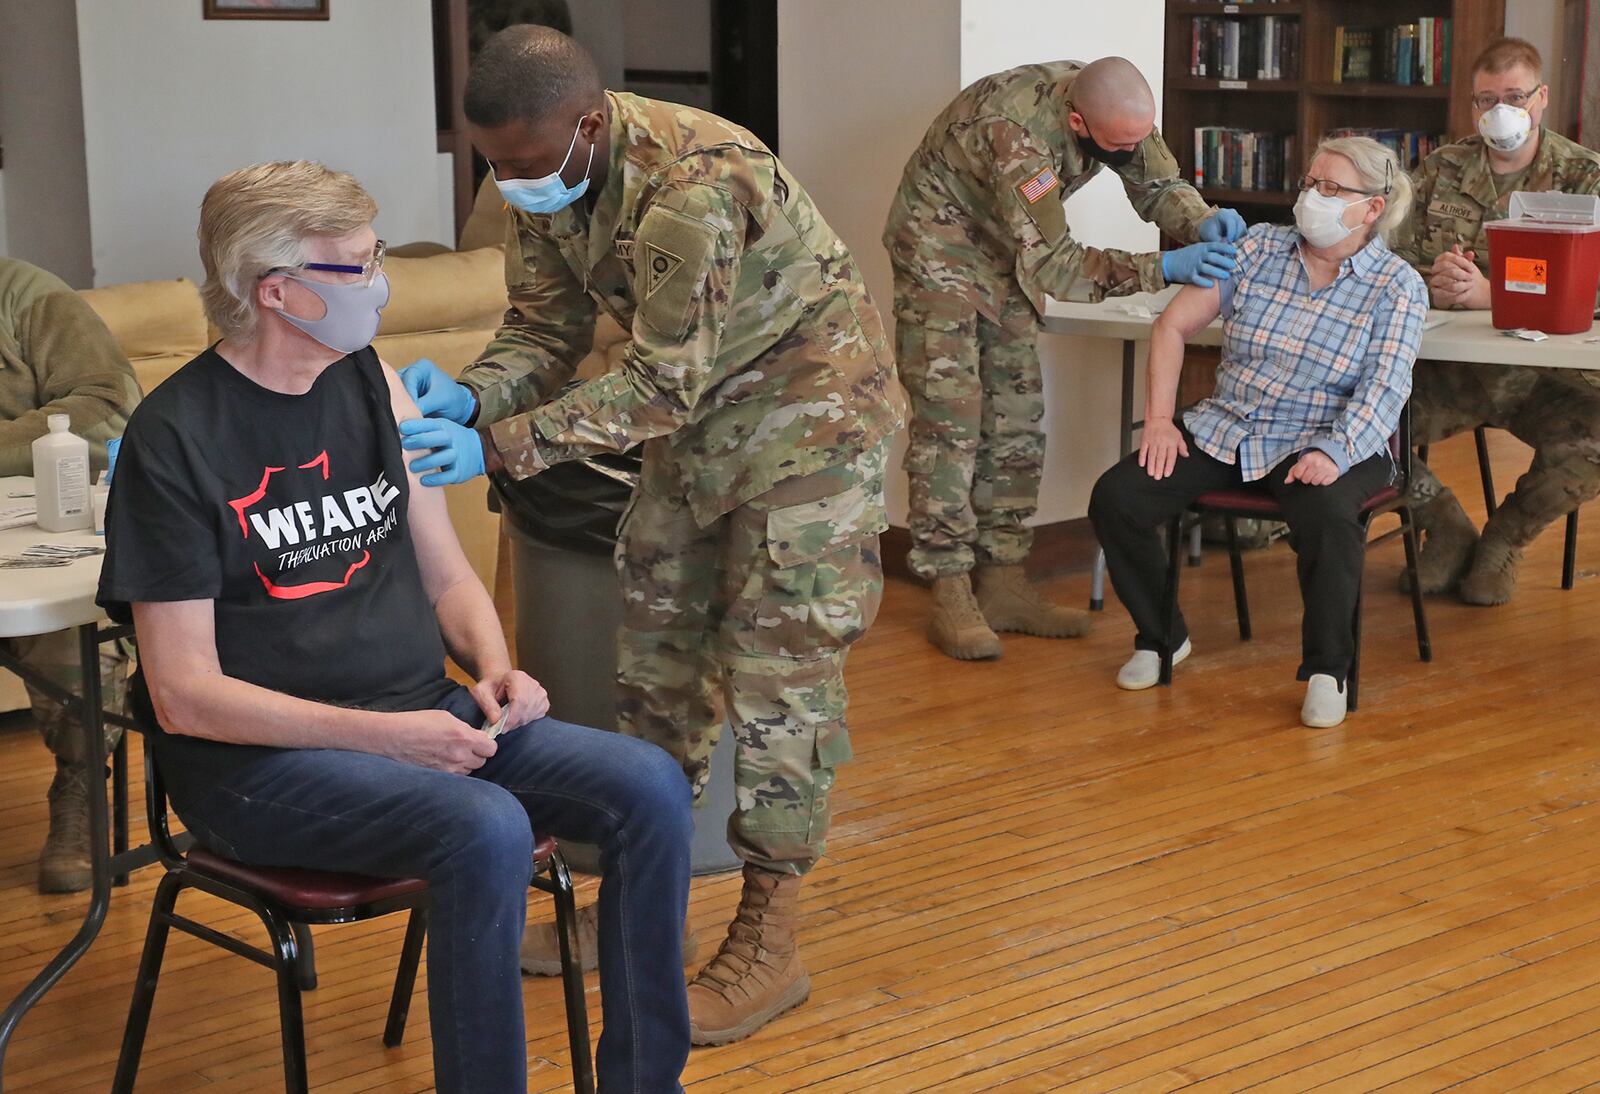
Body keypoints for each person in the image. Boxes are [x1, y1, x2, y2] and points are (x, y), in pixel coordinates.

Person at [95, 161, 692, 1094]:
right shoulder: (174, 440)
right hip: (254, 770)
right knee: (487, 830)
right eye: (358, 265)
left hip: (425, 721)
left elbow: (445, 570)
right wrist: (390, 740)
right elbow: (184, 695)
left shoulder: (371, 381)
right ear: (278, 291)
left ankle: (646, 1082)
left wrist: (496, 669)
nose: (383, 282)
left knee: (649, 785)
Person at [393, 26, 902, 1045]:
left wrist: (502, 445)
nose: (514, 185)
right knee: (654, 669)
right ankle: (639, 911)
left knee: (777, 688)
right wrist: (470, 391)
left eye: (529, 167)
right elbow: (545, 329)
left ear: (587, 124)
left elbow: (663, 380)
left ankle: (769, 938)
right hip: (692, 437)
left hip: (809, 439)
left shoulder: (695, 187)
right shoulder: (543, 171)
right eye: (498, 167)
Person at [882, 56, 1246, 661]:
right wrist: (1162, 268)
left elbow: (1156, 184)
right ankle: (950, 590)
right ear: (1078, 122)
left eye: (1139, 138)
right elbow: (1055, 266)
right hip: (938, 250)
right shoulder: (1014, 134)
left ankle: (1002, 581)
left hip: (1007, 253)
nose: (1130, 150)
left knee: (1017, 413)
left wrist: (1201, 221)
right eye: (1118, 144)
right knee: (951, 423)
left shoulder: (1119, 107)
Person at [1089, 137, 1427, 729]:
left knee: (1325, 513)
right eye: (1308, 183)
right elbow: (1172, 326)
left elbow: (1385, 389)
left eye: (1331, 189)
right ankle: (1163, 635)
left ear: (1372, 208)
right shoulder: (1257, 248)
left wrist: (1335, 450)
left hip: (1332, 436)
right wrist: (1163, 422)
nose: (1311, 198)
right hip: (1232, 426)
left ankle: (1328, 670)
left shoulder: (1397, 287)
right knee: (1119, 496)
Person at [1389, 37, 1600, 605]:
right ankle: (1445, 522)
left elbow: (1594, 289)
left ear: (1542, 98)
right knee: (1350, 413)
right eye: (1486, 99)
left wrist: (1495, 296)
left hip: (1547, 380)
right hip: (1449, 371)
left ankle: (1504, 540)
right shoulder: (1439, 169)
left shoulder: (1585, 179)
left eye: (1514, 96)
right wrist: (1427, 283)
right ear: (1471, 106)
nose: (1500, 111)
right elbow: (1384, 262)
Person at [0, 256, 141, 893]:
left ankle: (81, 790)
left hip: (31, 526)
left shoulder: (28, 298)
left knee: (69, 627)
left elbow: (108, 406)